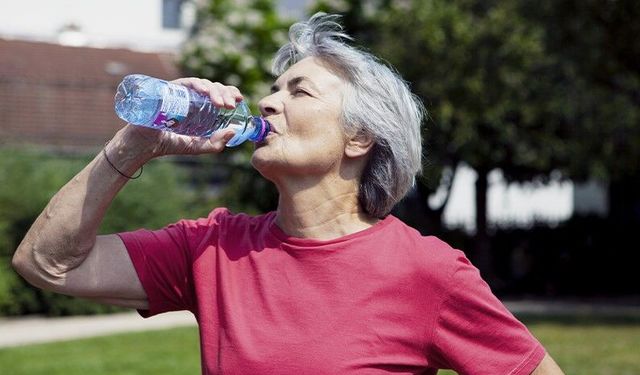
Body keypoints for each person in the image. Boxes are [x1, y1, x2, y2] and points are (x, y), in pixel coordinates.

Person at [12, 13, 564, 375]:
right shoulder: (213, 248)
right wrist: (134, 146)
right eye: (273, 90)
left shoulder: (427, 272)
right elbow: (47, 264)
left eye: (298, 91)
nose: (269, 103)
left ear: (360, 137)